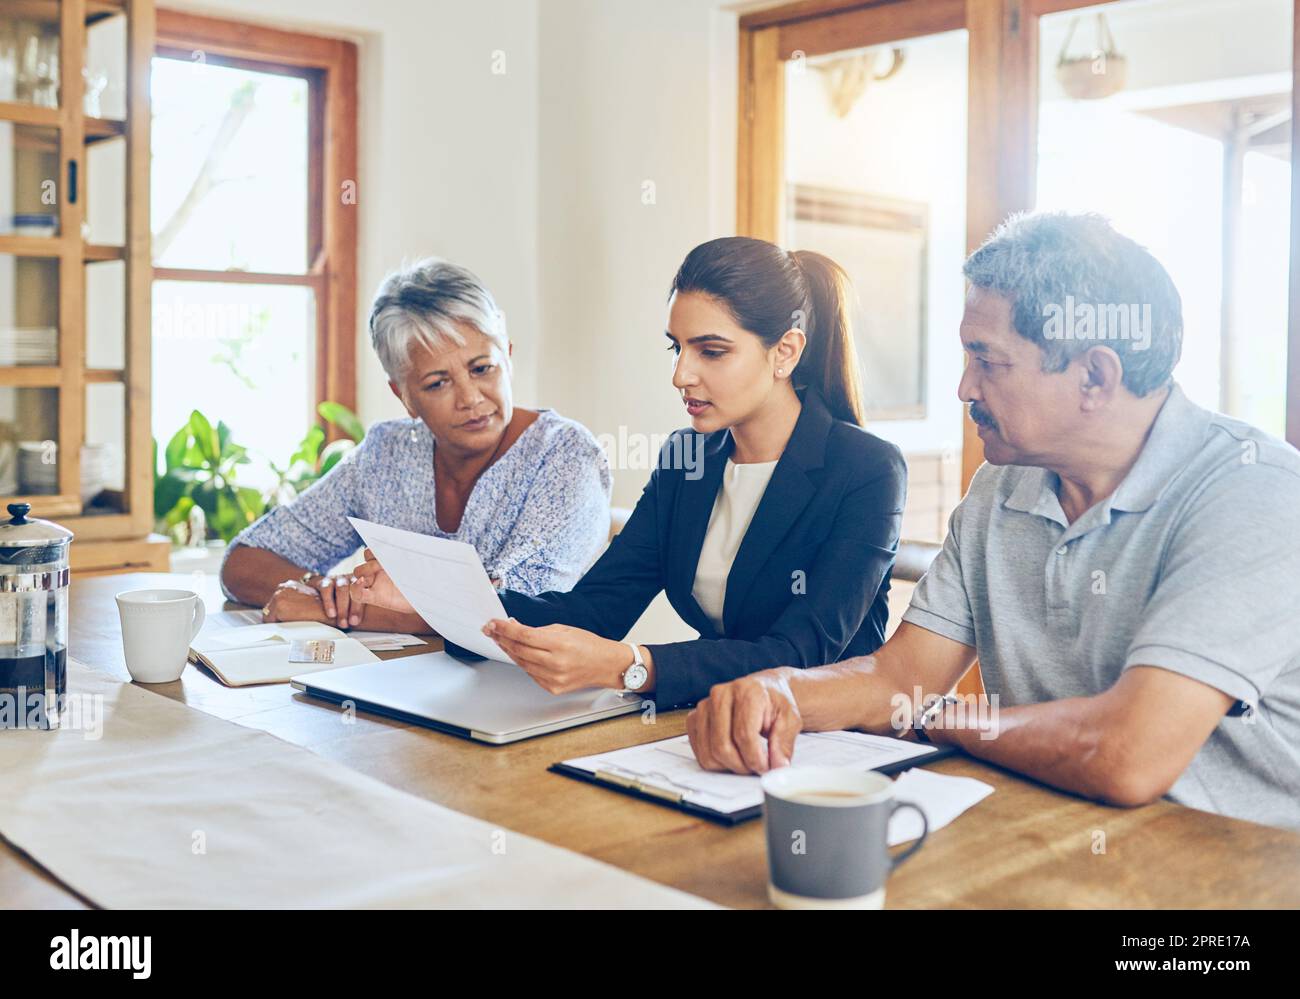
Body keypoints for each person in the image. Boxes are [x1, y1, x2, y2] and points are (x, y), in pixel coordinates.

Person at [686, 212, 1300, 833]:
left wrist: (939, 716)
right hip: (1046, 835)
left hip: (1230, 877)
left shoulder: (1254, 493)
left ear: (1095, 376)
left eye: (988, 361)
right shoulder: (1003, 483)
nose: (963, 387)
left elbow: (1125, 755)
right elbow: (901, 676)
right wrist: (782, 691)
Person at [349, 236, 908, 709]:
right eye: (676, 347)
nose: (680, 374)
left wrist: (633, 666)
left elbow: (799, 654)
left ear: (784, 352)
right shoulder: (687, 461)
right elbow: (594, 610)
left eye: (711, 351)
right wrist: (432, 595)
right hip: (713, 721)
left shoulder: (866, 470)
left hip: (832, 739)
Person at [220, 258, 611, 633]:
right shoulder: (386, 455)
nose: (470, 398)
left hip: (536, 695)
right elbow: (244, 560)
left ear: (506, 356)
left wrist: (331, 613)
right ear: (404, 395)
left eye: (482, 368)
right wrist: (325, 591)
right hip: (405, 685)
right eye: (437, 383)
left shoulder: (567, 455)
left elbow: (514, 612)